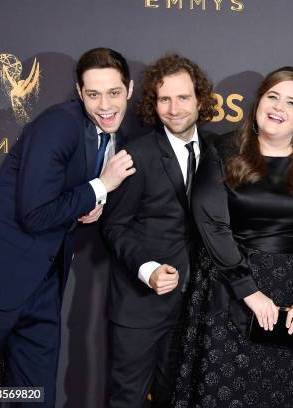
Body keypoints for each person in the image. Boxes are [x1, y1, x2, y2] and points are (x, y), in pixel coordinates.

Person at [167, 66, 293, 408]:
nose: (279, 107)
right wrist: (249, 291)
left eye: (291, 103)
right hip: (229, 291)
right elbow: (212, 223)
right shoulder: (223, 150)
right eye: (272, 96)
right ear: (259, 102)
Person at [0, 47, 135, 406]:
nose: (105, 105)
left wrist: (93, 203)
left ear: (130, 89)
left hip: (44, 284)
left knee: (33, 396)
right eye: (93, 94)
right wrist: (99, 187)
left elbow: (69, 195)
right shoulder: (57, 124)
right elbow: (34, 213)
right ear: (80, 93)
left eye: (114, 92)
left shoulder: (115, 133)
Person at [101, 53, 217, 407]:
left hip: (194, 307)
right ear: (154, 103)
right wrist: (147, 270)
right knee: (127, 399)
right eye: (164, 99)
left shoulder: (218, 152)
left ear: (199, 99)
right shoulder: (137, 154)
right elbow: (115, 226)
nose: (174, 108)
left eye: (183, 97)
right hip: (140, 307)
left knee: (177, 397)